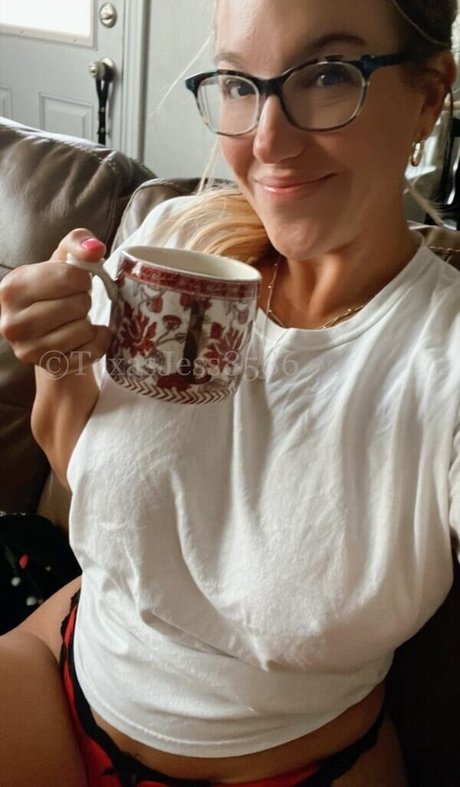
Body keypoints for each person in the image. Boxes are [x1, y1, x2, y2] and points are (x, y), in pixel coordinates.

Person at [0, 0, 458, 785]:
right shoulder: (176, 242)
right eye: (240, 85)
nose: (268, 142)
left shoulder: (440, 353)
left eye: (326, 75)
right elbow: (81, 466)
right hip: (60, 674)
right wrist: (60, 356)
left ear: (429, 95)